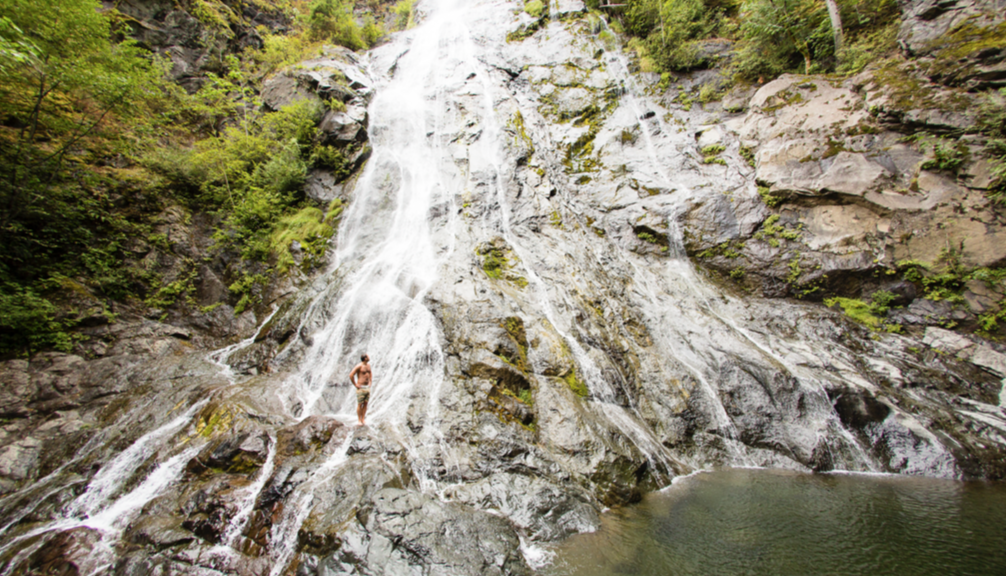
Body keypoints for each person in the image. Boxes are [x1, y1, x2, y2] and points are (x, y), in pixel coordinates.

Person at [349, 353, 373, 425]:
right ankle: (359, 420)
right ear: (365, 358)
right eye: (368, 357)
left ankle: (363, 419)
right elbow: (351, 375)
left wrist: (370, 382)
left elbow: (370, 373)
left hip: (367, 387)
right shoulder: (359, 366)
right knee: (360, 404)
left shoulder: (368, 365)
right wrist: (355, 384)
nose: (369, 357)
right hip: (361, 388)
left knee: (365, 403)